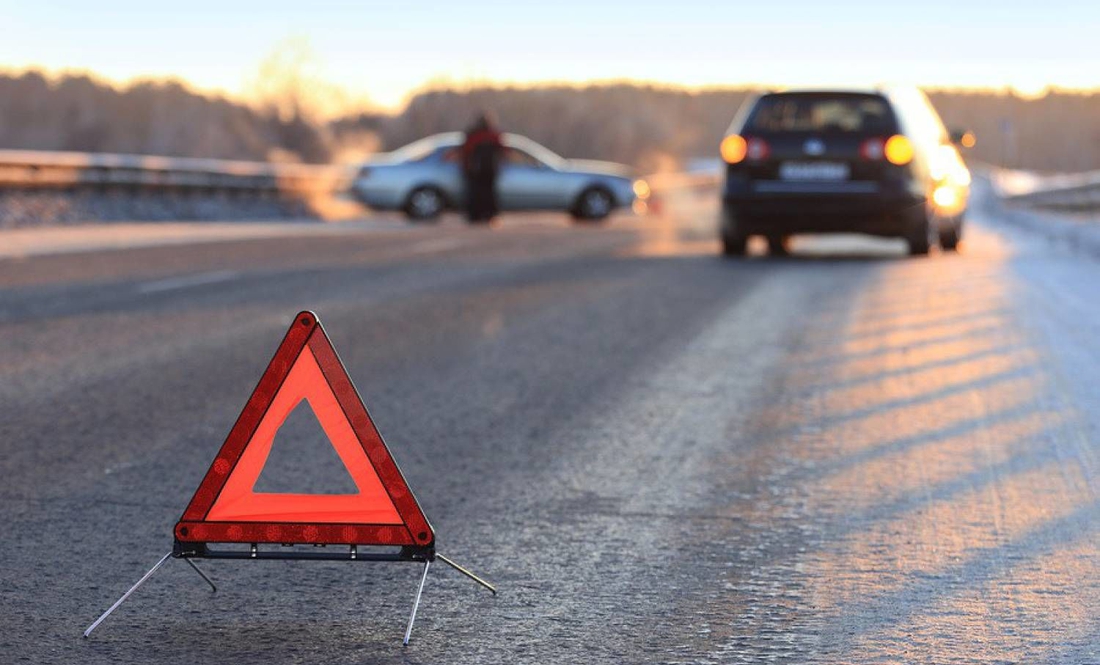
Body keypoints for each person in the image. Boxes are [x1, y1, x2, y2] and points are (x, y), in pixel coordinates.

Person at [460, 111, 503, 223]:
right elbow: (502, 150)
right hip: (488, 170)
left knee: (475, 194)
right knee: (487, 194)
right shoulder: (493, 135)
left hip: (476, 171)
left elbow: (465, 152)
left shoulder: (473, 135)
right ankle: (488, 215)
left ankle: (476, 215)